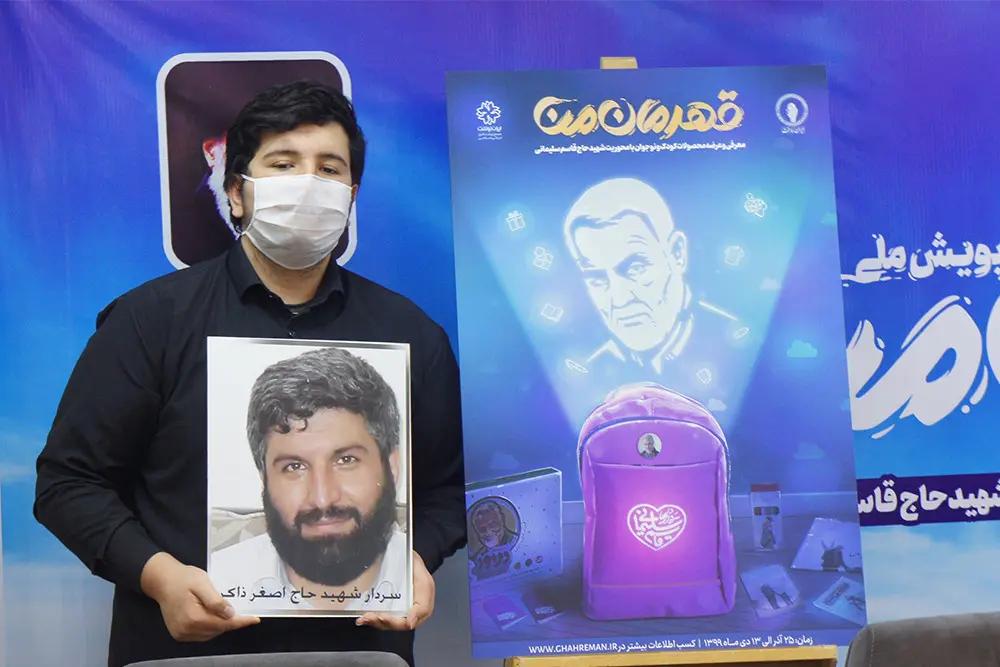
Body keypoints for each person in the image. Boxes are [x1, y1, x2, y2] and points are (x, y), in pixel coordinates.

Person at [34, 80, 465, 666]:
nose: (308, 183)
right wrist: (157, 575)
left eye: (329, 169)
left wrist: (418, 555)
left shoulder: (410, 334)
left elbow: (449, 490)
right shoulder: (149, 321)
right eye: (283, 164)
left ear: (351, 195)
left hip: (361, 654)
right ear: (237, 192)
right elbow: (69, 483)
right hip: (178, 656)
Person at [211, 347, 408, 612]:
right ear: (264, 479)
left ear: (392, 467)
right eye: (294, 467)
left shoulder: (427, 580)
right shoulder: (217, 583)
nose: (322, 498)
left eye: (346, 460)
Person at [564, 177, 694, 374]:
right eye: (597, 279)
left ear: (677, 253)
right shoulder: (592, 369)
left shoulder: (731, 339)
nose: (620, 300)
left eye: (636, 269)